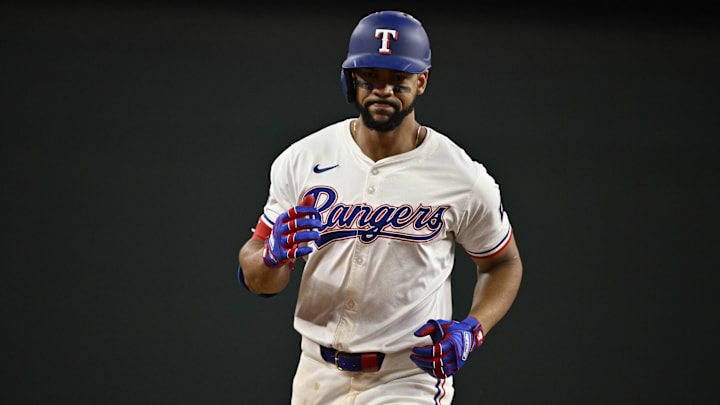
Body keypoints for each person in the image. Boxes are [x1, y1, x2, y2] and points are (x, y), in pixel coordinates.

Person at [237, 10, 522, 404]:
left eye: (397, 79)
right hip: (316, 372)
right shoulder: (302, 159)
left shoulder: (462, 177)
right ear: (352, 78)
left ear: (421, 81)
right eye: (371, 76)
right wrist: (270, 256)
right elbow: (257, 279)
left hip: (408, 376)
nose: (382, 89)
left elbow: (503, 262)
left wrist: (474, 328)